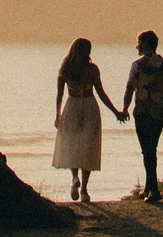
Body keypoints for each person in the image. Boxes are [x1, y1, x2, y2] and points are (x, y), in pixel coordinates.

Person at [51, 36, 122, 203]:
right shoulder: (92, 69)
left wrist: (58, 114)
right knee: (88, 146)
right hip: (89, 105)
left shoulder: (65, 68)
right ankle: (84, 190)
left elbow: (59, 95)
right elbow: (101, 93)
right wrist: (115, 112)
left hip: (72, 105)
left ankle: (75, 178)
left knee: (73, 144)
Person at [117, 30, 163, 203]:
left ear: (146, 44)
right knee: (151, 150)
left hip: (142, 113)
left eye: (139, 42)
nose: (137, 46)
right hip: (158, 114)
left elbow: (129, 89)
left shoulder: (137, 65)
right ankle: (149, 187)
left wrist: (125, 108)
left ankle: (154, 190)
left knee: (147, 152)